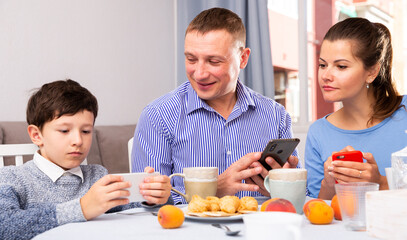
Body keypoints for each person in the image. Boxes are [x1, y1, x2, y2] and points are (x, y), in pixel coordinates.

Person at [131, 7, 299, 204]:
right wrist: (214, 189)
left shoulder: (276, 116)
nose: (200, 73)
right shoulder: (157, 116)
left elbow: (296, 199)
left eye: (213, 61)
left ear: (243, 58)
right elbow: (141, 205)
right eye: (191, 59)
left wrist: (285, 189)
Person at [0, 80, 172, 240]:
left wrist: (152, 198)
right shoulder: (11, 178)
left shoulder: (97, 176)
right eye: (64, 131)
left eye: (86, 131)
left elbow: (134, 215)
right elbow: (5, 227)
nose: (78, 141)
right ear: (37, 135)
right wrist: (82, 208)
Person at [305, 17, 407, 199]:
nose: (326, 75)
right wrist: (328, 184)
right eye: (322, 65)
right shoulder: (318, 133)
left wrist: (381, 183)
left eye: (341, 66)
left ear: (372, 72)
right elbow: (319, 210)